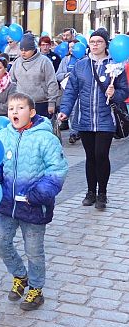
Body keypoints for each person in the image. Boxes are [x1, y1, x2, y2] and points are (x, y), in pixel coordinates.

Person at [0, 92, 68, 311]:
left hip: (34, 205)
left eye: (20, 108)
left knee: (34, 250)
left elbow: (57, 170)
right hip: (7, 204)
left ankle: (36, 289)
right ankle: (20, 276)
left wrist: (40, 194)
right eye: (11, 109)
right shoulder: (3, 136)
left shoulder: (45, 138)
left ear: (32, 112)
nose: (14, 112)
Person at [59, 28, 129, 210]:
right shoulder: (81, 65)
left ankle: (102, 193)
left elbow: (124, 91)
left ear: (106, 44)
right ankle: (90, 192)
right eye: (92, 42)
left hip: (106, 119)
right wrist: (65, 110)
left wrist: (115, 94)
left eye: (99, 42)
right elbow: (71, 91)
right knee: (90, 157)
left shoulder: (115, 66)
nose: (95, 45)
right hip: (85, 119)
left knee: (101, 155)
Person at [10, 33, 58, 118]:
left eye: (27, 50)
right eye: (21, 50)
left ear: (33, 49)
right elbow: (11, 81)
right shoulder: (17, 62)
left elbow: (52, 82)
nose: (23, 52)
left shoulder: (44, 62)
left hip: (41, 104)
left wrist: (51, 103)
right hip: (21, 104)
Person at [56, 40, 81, 144]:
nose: (72, 49)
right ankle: (73, 133)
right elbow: (58, 75)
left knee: (79, 111)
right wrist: (66, 75)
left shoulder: (83, 59)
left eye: (74, 47)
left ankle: (78, 130)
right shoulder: (65, 60)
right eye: (70, 47)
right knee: (71, 112)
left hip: (82, 90)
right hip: (68, 89)